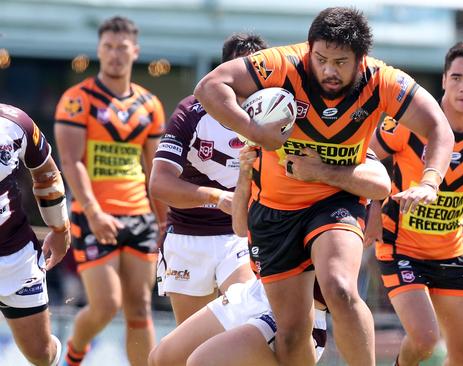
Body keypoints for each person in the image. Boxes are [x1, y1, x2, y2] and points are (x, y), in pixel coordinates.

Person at [194, 7, 454, 365]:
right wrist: (256, 133)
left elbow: (438, 127)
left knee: (340, 288)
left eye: (341, 62)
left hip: (336, 202)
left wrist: (430, 180)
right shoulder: (282, 64)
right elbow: (209, 86)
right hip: (274, 213)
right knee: (290, 333)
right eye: (321, 59)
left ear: (361, 59)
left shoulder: (383, 81)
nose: (329, 70)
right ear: (309, 48)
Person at [366, 41, 463, 366]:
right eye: (456, 77)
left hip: (450, 253)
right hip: (400, 248)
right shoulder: (410, 123)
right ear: (444, 81)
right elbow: (363, 158)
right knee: (424, 340)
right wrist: (373, 204)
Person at [149, 145, 336, 366]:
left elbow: (378, 182)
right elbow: (240, 227)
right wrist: (245, 174)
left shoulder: (336, 160)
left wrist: (321, 171)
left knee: (202, 362)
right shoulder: (275, 153)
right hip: (256, 291)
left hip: (298, 307)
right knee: (162, 359)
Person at [54, 16, 166, 366]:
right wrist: (93, 211)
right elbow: (71, 162)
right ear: (99, 50)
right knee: (106, 305)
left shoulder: (150, 105)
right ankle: (74, 353)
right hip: (93, 216)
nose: (115, 55)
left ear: (135, 51)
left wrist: (165, 224)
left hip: (140, 217)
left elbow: (156, 172)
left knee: (140, 307)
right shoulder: (78, 100)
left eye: (122, 48)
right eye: (108, 47)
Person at [150, 32, 268, 325]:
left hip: (239, 236)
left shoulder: (272, 112)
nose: (246, 81)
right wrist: (215, 196)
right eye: (238, 71)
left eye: (254, 72)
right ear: (224, 71)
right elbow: (159, 184)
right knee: (190, 341)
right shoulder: (191, 111)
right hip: (188, 236)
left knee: (244, 319)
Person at [0, 103, 70, 365]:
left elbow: (46, 174)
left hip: (16, 256)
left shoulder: (16, 122)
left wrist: (60, 227)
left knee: (41, 354)